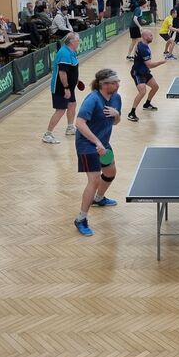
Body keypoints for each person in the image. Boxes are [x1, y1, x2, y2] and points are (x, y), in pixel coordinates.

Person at [73, 68, 122, 236]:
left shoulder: (116, 98)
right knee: (94, 180)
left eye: (118, 82)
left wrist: (117, 114)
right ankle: (81, 219)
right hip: (87, 144)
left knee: (110, 172)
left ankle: (99, 198)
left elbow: (115, 122)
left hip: (103, 143)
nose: (118, 85)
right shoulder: (93, 99)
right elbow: (79, 123)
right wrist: (97, 142)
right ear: (104, 84)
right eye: (114, 82)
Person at [42, 32, 80, 144]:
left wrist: (76, 79)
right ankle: (47, 134)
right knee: (60, 110)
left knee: (72, 104)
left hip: (69, 87)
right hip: (61, 87)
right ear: (72, 42)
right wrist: (66, 88)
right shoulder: (64, 54)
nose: (79, 42)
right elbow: (62, 73)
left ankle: (70, 128)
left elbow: (72, 69)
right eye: (78, 40)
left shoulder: (71, 51)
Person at [126, 29, 166, 122]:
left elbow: (138, 40)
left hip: (145, 71)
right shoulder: (143, 49)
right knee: (142, 92)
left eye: (152, 35)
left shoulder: (141, 42)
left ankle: (147, 104)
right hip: (137, 73)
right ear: (145, 37)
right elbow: (150, 65)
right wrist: (161, 62)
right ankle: (131, 113)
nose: (152, 37)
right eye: (150, 35)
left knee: (155, 87)